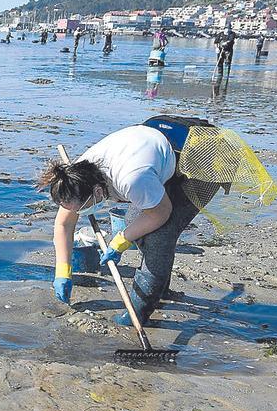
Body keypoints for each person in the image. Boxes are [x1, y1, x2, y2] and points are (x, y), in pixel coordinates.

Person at [38, 121, 224, 326]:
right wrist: (63, 271)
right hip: (158, 148)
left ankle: (140, 310)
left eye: (80, 208)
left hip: (203, 156)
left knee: (159, 235)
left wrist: (121, 240)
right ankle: (162, 288)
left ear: (99, 192)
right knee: (133, 221)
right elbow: (64, 224)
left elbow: (161, 212)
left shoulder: (131, 179)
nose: (76, 213)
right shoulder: (75, 178)